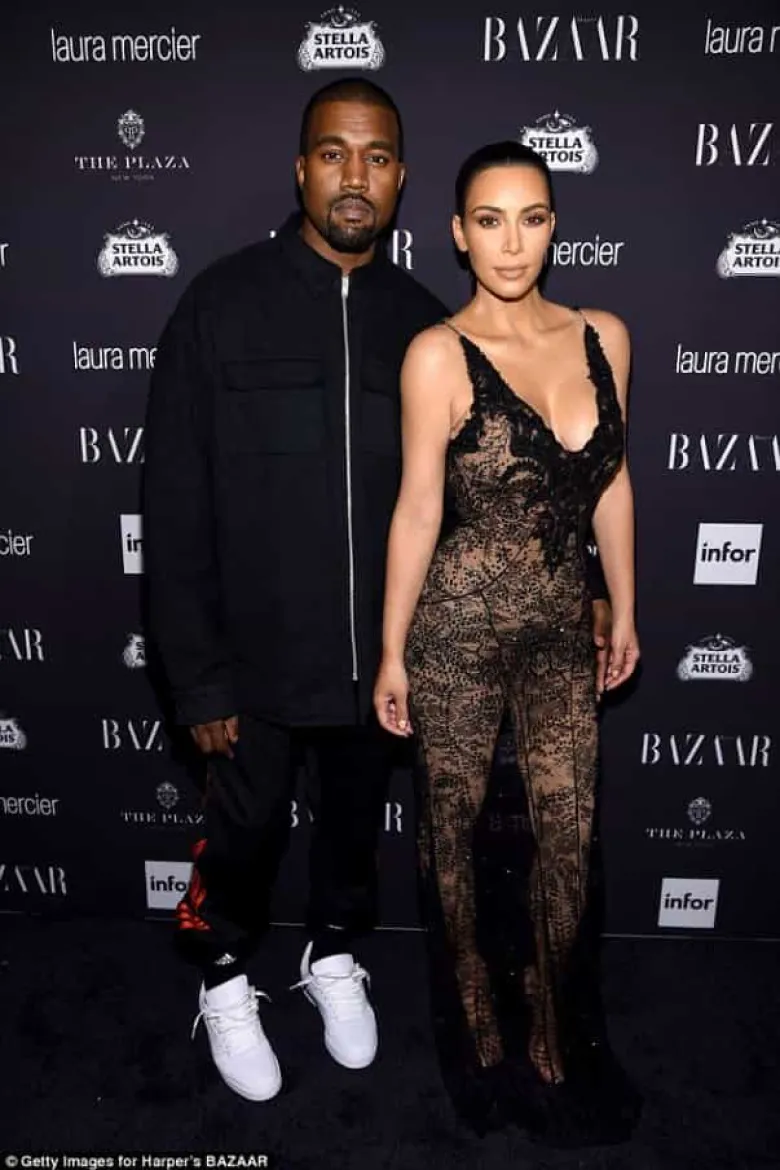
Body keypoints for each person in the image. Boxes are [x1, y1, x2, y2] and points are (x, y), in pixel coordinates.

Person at [144, 79, 611, 1106]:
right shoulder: (220, 304)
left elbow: (491, 491)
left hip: (388, 652)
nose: (355, 176)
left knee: (354, 827)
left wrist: (577, 583)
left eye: (378, 157)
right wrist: (198, 677)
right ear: (300, 168)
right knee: (242, 835)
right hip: (254, 658)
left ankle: (334, 954)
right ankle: (223, 974)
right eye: (333, 154)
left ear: (401, 180)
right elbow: (171, 501)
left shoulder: (426, 324)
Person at [374, 141, 642, 1144]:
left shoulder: (603, 336)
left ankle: (555, 1045)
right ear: (457, 233)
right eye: (489, 220)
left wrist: (625, 603)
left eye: (531, 217)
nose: (512, 242)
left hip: (563, 629)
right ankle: (480, 1042)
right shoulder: (437, 355)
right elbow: (417, 509)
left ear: (554, 225)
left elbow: (612, 483)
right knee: (452, 846)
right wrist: (392, 651)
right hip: (457, 632)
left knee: (566, 843)